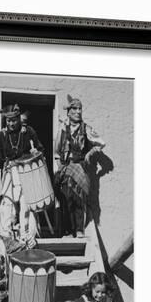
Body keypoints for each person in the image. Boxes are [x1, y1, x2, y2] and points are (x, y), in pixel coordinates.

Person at [0, 104, 45, 240]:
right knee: (7, 206)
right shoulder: (2, 136)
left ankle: (27, 237)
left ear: (19, 118)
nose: (11, 123)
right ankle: (6, 239)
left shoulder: (28, 132)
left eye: (14, 120)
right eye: (8, 121)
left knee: (26, 206)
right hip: (9, 174)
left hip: (26, 173)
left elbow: (41, 150)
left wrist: (36, 152)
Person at [54, 95, 105, 237]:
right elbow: (57, 151)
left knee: (78, 199)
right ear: (68, 112)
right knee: (65, 199)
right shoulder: (62, 129)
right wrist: (61, 167)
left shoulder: (86, 129)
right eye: (75, 109)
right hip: (67, 168)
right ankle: (68, 231)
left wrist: (90, 153)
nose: (78, 112)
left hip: (81, 168)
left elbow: (101, 143)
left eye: (80, 109)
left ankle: (79, 230)